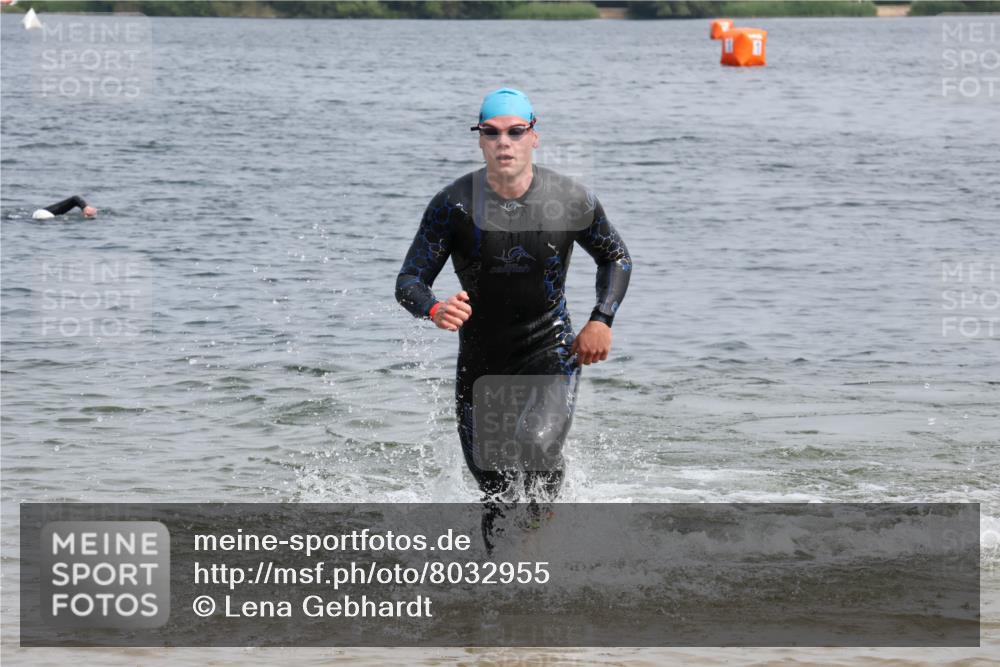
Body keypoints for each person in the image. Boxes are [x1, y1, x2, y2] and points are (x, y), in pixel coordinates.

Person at [395, 88, 631, 525]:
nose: (504, 142)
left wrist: (601, 320)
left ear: (533, 137)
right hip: (481, 359)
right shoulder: (454, 205)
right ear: (480, 139)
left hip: (550, 347)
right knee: (495, 489)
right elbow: (409, 281)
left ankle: (542, 529)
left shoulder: (569, 199)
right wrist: (434, 309)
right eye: (492, 132)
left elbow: (615, 256)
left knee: (535, 444)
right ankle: (505, 566)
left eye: (515, 132)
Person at [32, 195, 97, 220]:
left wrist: (85, 207)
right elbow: (75, 199)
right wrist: (85, 207)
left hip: (37, 215)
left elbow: (74, 199)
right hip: (43, 214)